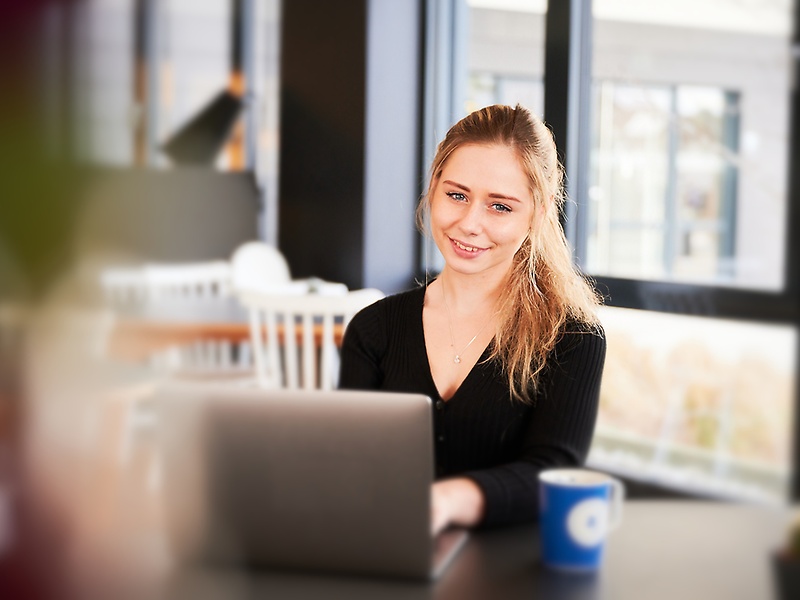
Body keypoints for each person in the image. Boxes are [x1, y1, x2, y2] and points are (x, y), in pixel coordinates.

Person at [338, 104, 606, 534]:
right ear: (433, 189)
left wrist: (445, 499)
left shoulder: (572, 337)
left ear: (537, 214)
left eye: (500, 207)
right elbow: (347, 465)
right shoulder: (373, 330)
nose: (469, 224)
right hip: (389, 560)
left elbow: (553, 470)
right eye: (457, 195)